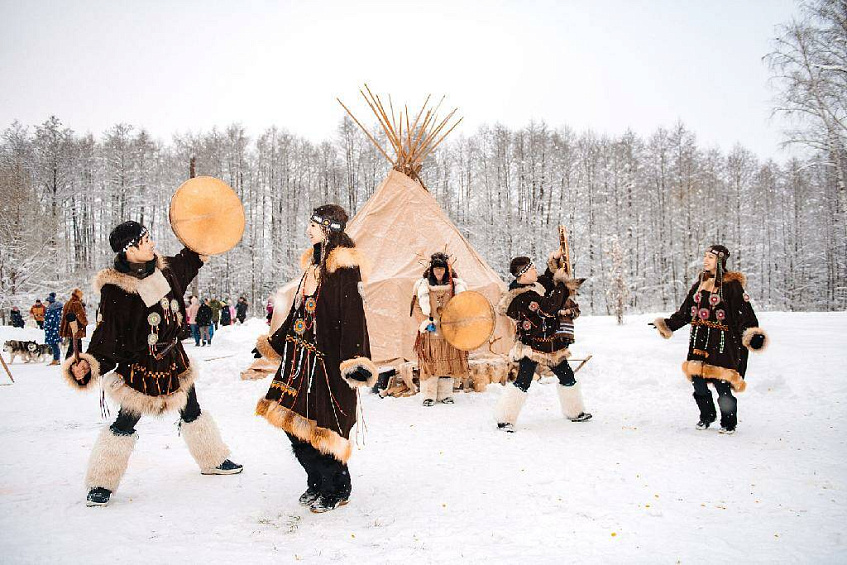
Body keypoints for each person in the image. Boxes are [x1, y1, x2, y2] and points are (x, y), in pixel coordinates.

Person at [63, 220, 242, 507]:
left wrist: (207, 233)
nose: (152, 244)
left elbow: (188, 260)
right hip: (141, 364)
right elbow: (109, 333)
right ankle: (101, 482)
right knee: (126, 420)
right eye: (145, 241)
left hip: (174, 358)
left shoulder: (164, 270)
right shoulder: (116, 290)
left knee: (191, 409)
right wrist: (90, 362)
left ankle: (212, 459)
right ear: (129, 249)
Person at [254, 204, 376, 513]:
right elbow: (298, 310)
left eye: (314, 224)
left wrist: (355, 360)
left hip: (326, 361)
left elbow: (352, 315)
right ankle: (317, 478)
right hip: (297, 360)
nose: (308, 229)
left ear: (329, 229)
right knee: (291, 422)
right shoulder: (314, 263)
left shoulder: (343, 266)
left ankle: (335, 486)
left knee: (324, 427)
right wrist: (274, 343)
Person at [651, 245, 768, 434]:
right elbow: (687, 311)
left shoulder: (732, 286)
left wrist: (752, 334)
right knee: (698, 381)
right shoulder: (700, 284)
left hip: (723, 341)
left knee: (722, 383)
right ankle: (707, 415)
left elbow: (744, 315)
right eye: (705, 257)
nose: (705, 260)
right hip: (699, 339)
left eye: (710, 258)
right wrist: (668, 324)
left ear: (720, 261)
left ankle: (729, 422)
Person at [494, 251, 591, 432]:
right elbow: (549, 308)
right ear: (523, 273)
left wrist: (554, 261)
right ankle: (504, 419)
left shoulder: (534, 285)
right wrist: (563, 285)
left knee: (567, 376)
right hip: (532, 347)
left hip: (551, 345)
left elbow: (547, 278)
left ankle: (574, 412)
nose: (536, 271)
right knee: (523, 381)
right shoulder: (521, 297)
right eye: (533, 268)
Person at [411, 252, 469, 406]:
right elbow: (416, 307)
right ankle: (428, 395)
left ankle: (445, 394)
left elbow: (462, 305)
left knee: (448, 362)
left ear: (446, 270)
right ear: (431, 270)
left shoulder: (455, 286)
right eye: (436, 269)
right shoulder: (423, 286)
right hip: (431, 331)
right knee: (430, 363)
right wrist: (424, 322)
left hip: (448, 331)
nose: (439, 272)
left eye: (441, 269)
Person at [60, 288, 88, 358]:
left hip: (68, 326)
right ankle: (75, 358)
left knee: (73, 343)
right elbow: (80, 315)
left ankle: (73, 358)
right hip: (75, 326)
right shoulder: (77, 303)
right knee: (76, 344)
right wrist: (85, 322)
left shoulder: (67, 303)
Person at [43, 292, 64, 365]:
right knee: (53, 345)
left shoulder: (53, 310)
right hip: (51, 329)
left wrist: (51, 327)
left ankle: (56, 359)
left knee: (54, 344)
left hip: (53, 330)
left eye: (47, 302)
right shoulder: (51, 309)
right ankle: (55, 359)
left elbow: (55, 321)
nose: (45, 303)